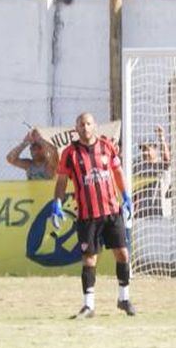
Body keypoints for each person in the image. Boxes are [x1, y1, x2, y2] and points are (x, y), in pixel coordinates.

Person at [51, 112, 135, 318]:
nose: (85, 127)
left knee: (123, 254)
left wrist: (125, 195)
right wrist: (57, 203)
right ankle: (88, 306)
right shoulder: (70, 154)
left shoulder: (106, 147)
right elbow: (62, 181)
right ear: (76, 128)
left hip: (111, 211)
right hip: (88, 216)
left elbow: (117, 172)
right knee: (89, 259)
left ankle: (123, 298)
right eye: (81, 124)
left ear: (94, 126)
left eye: (88, 123)